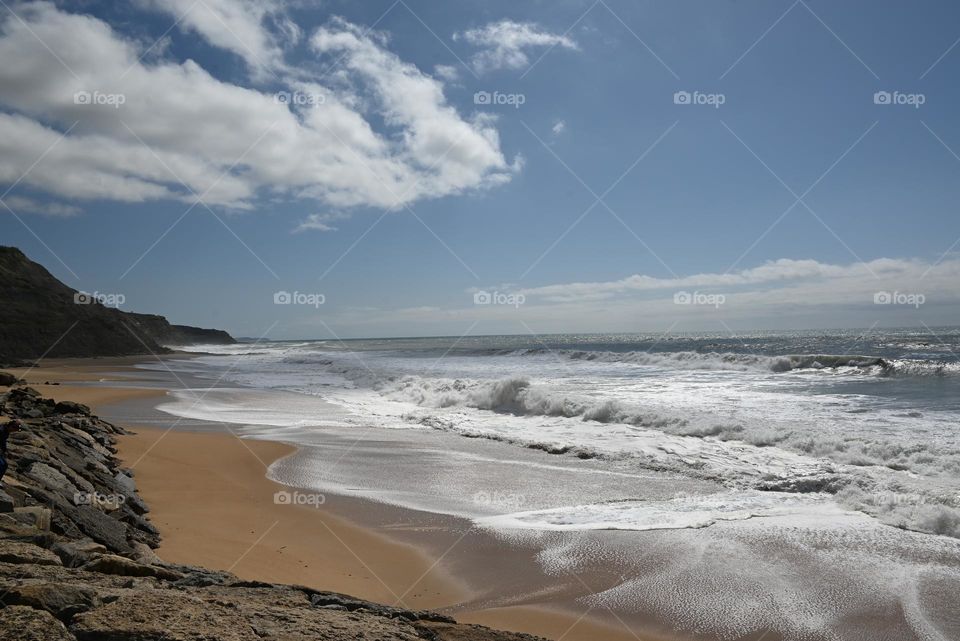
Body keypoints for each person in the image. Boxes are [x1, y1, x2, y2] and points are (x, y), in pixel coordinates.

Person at [0, 420, 23, 484]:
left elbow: (3, 443)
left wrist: (6, 452)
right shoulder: (1, 431)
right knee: (2, 465)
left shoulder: (6, 431)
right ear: (11, 427)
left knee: (4, 465)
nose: (14, 431)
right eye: (15, 429)